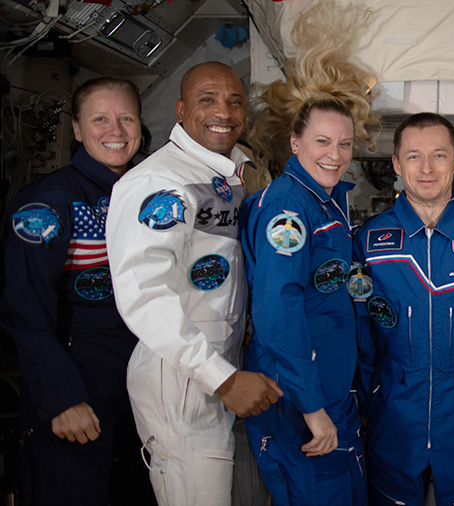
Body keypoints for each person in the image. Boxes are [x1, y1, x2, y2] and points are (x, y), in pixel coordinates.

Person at [106, 61, 283, 506]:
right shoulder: (159, 182)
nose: (223, 111)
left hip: (226, 370)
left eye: (234, 101)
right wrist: (221, 379)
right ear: (181, 110)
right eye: (207, 99)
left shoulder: (233, 174)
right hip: (182, 382)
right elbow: (144, 296)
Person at [0, 77, 155, 506]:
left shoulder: (149, 194)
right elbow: (24, 309)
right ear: (76, 129)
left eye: (126, 118)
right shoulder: (48, 203)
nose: (117, 131)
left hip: (140, 390)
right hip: (77, 388)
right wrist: (62, 398)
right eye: (100, 119)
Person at [354, 112, 454, 506]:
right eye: (413, 156)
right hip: (392, 410)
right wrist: (367, 402)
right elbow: (360, 334)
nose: (426, 168)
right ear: (395, 164)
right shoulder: (368, 242)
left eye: (439, 156)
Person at [240, 96, 367, 505]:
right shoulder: (289, 207)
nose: (335, 155)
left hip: (327, 381)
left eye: (344, 144)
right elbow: (278, 310)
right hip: (296, 388)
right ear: (295, 143)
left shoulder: (325, 200)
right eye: (322, 142)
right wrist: (312, 407)